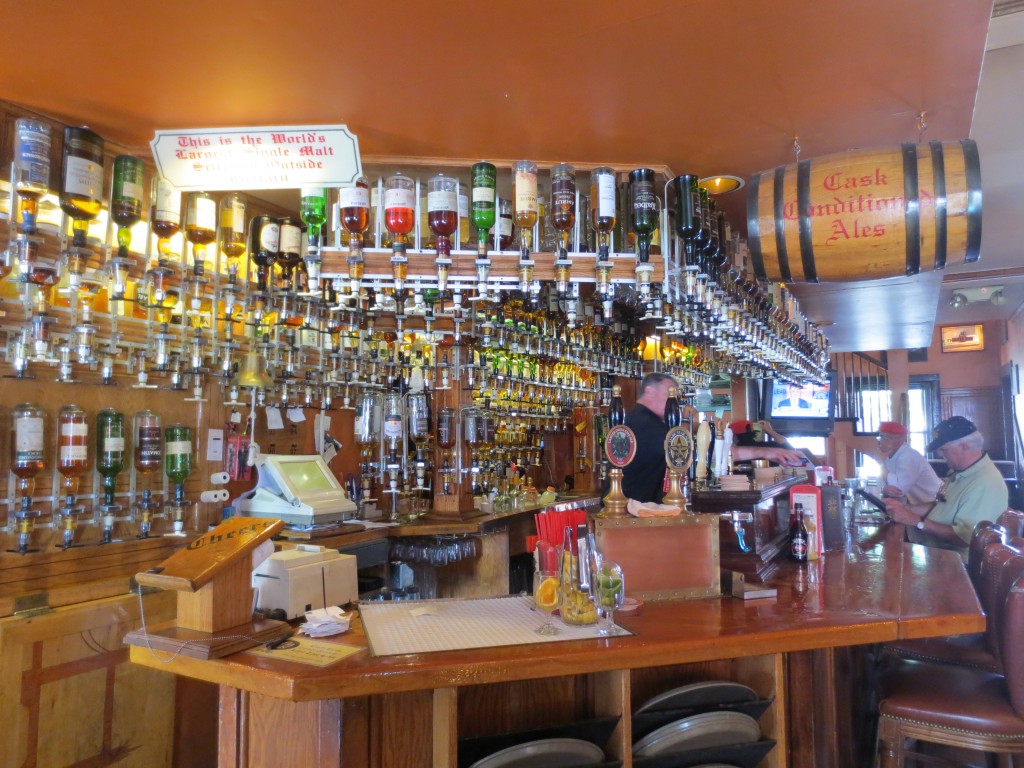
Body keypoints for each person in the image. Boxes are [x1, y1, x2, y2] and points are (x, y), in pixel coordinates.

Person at [623, 373, 804, 503]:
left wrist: (767, 453)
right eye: (669, 394)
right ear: (649, 392)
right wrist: (766, 453)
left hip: (642, 505)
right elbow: (703, 453)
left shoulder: (650, 422)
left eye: (675, 396)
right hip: (635, 508)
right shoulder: (644, 424)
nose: (674, 402)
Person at [883, 416, 1008, 560]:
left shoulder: (985, 482)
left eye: (943, 449)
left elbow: (964, 539)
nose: (940, 454)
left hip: (955, 564)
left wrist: (916, 521)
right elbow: (941, 505)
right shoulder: (960, 471)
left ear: (964, 446)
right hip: (932, 550)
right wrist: (906, 508)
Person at [874, 421, 941, 506]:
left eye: (888, 438)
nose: (882, 442)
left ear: (901, 439)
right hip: (919, 505)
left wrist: (881, 464)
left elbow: (898, 490)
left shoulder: (909, 456)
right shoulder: (888, 455)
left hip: (937, 503)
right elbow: (880, 481)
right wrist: (884, 488)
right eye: (881, 437)